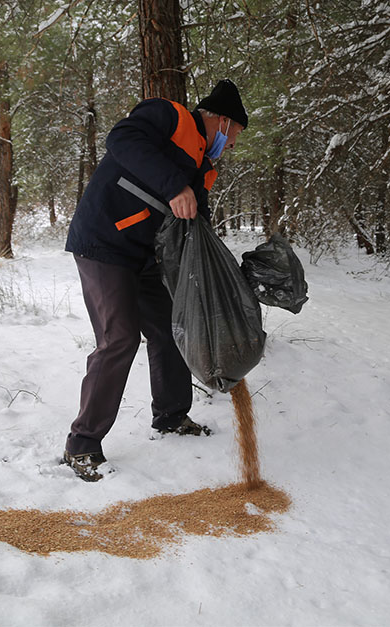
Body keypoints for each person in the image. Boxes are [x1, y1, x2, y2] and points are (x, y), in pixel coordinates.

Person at [62, 79, 248, 482]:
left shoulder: (204, 167)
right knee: (120, 338)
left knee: (170, 329)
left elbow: (197, 226)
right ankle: (82, 445)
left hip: (146, 257)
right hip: (103, 243)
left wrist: (224, 276)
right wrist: (175, 185)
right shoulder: (168, 116)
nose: (232, 144)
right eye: (234, 134)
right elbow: (122, 140)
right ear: (221, 119)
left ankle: (171, 417)